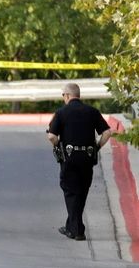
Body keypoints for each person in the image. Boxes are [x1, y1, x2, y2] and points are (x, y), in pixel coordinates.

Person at [47, 83, 112, 241]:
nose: (63, 98)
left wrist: (56, 146)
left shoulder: (61, 113)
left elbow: (51, 136)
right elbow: (107, 132)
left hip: (69, 158)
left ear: (68, 96)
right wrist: (96, 147)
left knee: (70, 191)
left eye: (63, 95)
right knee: (81, 191)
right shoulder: (92, 111)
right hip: (87, 158)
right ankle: (72, 226)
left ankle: (77, 231)